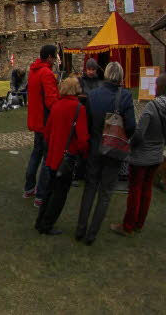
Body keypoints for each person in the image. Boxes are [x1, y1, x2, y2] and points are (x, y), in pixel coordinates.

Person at [75, 62, 136, 245]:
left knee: (90, 188)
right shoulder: (125, 96)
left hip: (95, 147)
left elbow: (88, 122)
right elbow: (132, 126)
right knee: (105, 193)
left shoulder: (93, 95)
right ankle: (91, 234)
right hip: (113, 149)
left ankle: (80, 229)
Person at [109, 73, 166, 237]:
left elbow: (140, 133)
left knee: (135, 190)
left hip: (142, 155)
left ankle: (128, 226)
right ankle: (139, 223)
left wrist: (130, 145)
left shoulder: (152, 107)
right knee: (146, 190)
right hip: (156, 155)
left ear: (159, 87)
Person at [34, 77, 90, 235]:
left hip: (53, 156)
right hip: (66, 158)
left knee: (49, 191)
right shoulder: (78, 108)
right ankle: (46, 224)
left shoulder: (56, 105)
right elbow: (83, 139)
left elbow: (47, 133)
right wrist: (82, 155)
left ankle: (40, 222)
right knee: (59, 195)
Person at [24, 45, 60, 207]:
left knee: (36, 154)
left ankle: (29, 187)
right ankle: (41, 194)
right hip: (45, 122)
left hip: (37, 120)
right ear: (50, 57)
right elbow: (51, 101)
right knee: (46, 158)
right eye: (55, 56)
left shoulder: (34, 71)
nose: (57, 59)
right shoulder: (46, 73)